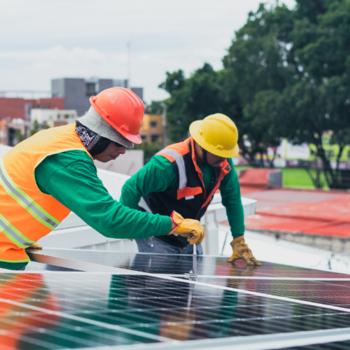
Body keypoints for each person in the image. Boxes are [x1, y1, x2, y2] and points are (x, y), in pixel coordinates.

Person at [0, 87, 204, 270]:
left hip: (11, 245)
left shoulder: (63, 137)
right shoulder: (68, 161)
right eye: (120, 143)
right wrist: (172, 224)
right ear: (101, 135)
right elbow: (109, 220)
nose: (123, 151)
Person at [120, 113, 260, 266]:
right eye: (220, 154)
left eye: (226, 155)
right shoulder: (168, 164)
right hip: (157, 234)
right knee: (160, 282)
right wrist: (128, 225)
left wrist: (238, 239)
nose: (224, 159)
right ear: (202, 146)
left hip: (189, 234)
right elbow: (131, 188)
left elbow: (232, 200)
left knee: (187, 282)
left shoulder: (223, 164)